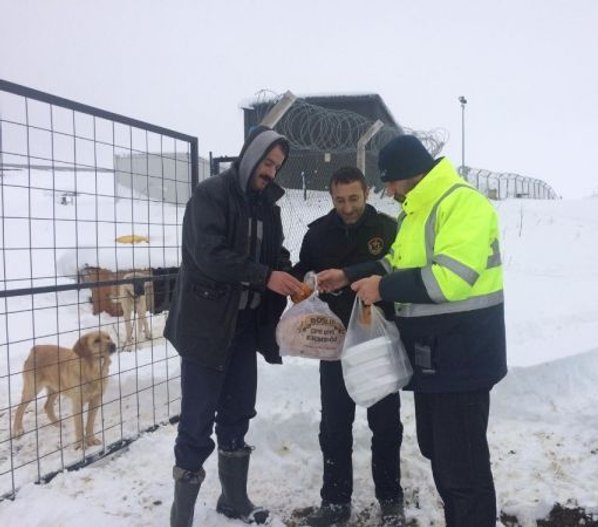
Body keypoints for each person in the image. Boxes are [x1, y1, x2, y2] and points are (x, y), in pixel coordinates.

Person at [317, 135, 507, 527]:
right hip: (433, 358)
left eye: (391, 181)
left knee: (463, 470)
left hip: (463, 358)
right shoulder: (417, 212)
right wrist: (350, 275)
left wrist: (381, 289)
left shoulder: (462, 203)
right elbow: (392, 263)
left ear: (410, 174)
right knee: (439, 455)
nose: (388, 190)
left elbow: (450, 280)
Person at [164, 125, 306, 527]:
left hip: (245, 326)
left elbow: (274, 253)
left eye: (277, 167)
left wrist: (291, 278)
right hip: (206, 328)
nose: (271, 173)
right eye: (267, 162)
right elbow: (208, 255)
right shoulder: (211, 195)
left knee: (238, 411)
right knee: (196, 422)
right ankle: (182, 515)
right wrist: (265, 276)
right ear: (250, 156)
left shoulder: (267, 207)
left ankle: (233, 498)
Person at [292, 166, 404, 527]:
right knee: (334, 426)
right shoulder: (318, 233)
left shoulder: (387, 229)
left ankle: (390, 500)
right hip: (335, 341)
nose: (348, 206)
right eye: (340, 200)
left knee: (386, 425)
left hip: (376, 342)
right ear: (331, 197)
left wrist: (350, 273)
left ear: (367, 192)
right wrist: (307, 283)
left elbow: (400, 268)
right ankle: (336, 502)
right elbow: (303, 272)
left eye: (354, 198)